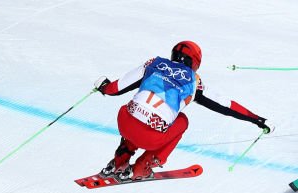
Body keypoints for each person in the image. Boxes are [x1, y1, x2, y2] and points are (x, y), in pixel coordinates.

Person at [94, 40, 272, 180]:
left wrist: (104, 87)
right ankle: (144, 165)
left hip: (124, 124)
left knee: (134, 112)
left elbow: (115, 89)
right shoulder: (194, 81)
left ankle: (120, 159)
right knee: (182, 121)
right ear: (195, 63)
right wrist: (256, 119)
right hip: (151, 139)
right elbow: (226, 106)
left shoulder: (154, 63)